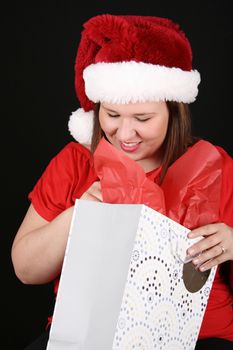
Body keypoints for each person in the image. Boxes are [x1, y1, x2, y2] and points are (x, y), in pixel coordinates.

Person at [11, 14, 233, 350]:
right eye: (112, 115)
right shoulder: (74, 162)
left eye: (143, 118)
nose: (125, 134)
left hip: (200, 338)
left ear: (174, 112)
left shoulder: (215, 166)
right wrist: (77, 215)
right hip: (89, 337)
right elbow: (26, 270)